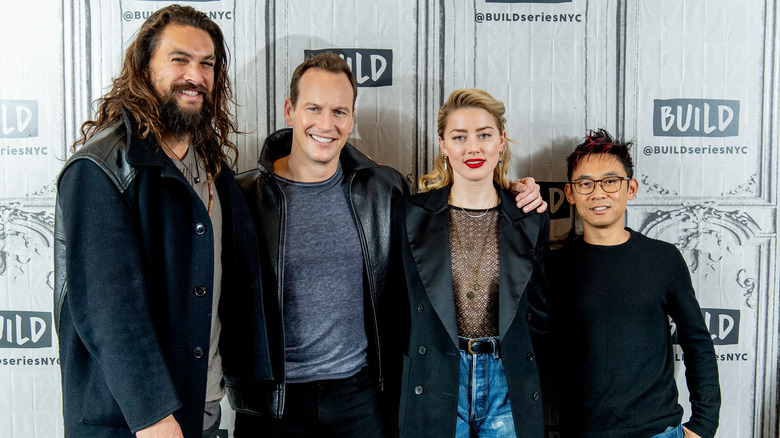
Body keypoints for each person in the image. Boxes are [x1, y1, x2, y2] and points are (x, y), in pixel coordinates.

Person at [229, 54, 547, 437]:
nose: (326, 124)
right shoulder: (242, 196)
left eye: (339, 111)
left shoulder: (383, 191)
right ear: (289, 110)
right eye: (313, 108)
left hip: (360, 396)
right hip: (272, 403)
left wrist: (519, 191)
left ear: (352, 117)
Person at [53, 5, 271, 437]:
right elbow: (109, 311)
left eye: (207, 64)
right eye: (180, 60)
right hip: (137, 423)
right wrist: (153, 417)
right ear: (144, 67)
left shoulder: (211, 165)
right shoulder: (101, 169)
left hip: (201, 407)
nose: (196, 75)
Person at [391, 89, 549, 437]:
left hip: (508, 381)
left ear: (502, 141)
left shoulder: (530, 216)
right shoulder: (409, 214)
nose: (473, 147)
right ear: (443, 145)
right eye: (459, 137)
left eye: (484, 135)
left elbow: (539, 311)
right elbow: (396, 309)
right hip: (436, 376)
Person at [546, 129, 720, 437]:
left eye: (610, 181)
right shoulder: (555, 267)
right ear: (570, 193)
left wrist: (703, 426)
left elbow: (698, 345)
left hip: (659, 431)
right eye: (585, 183)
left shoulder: (664, 259)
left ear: (631, 188)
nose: (598, 193)